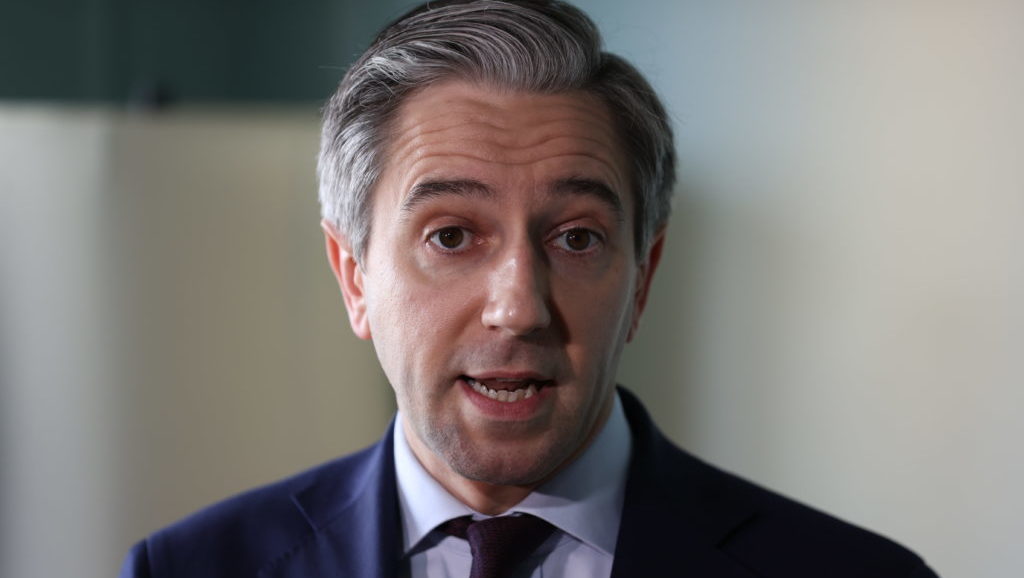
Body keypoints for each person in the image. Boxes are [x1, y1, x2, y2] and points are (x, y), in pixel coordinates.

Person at [120, 1, 939, 576]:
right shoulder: (188, 570)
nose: (518, 308)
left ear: (642, 278)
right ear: (355, 276)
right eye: (450, 236)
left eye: (576, 237)